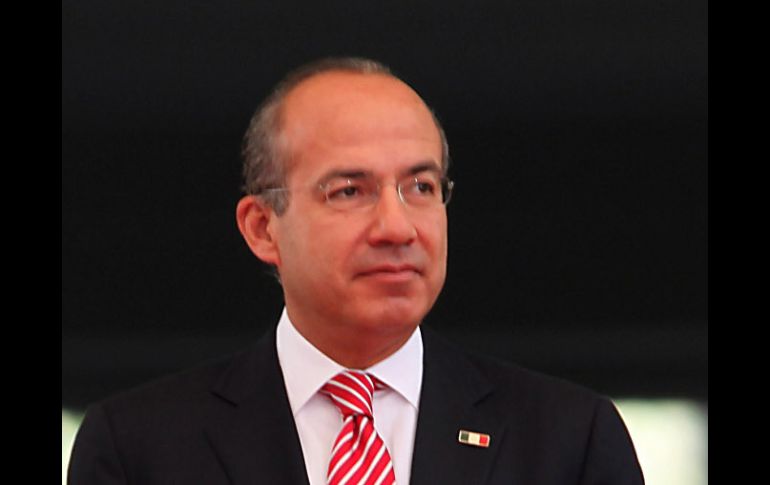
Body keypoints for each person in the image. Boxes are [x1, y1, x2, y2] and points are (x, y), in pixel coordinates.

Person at [68, 57, 644, 485]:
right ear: (262, 228)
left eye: (421, 187)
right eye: (349, 191)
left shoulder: (569, 439)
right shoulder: (137, 447)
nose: (397, 227)